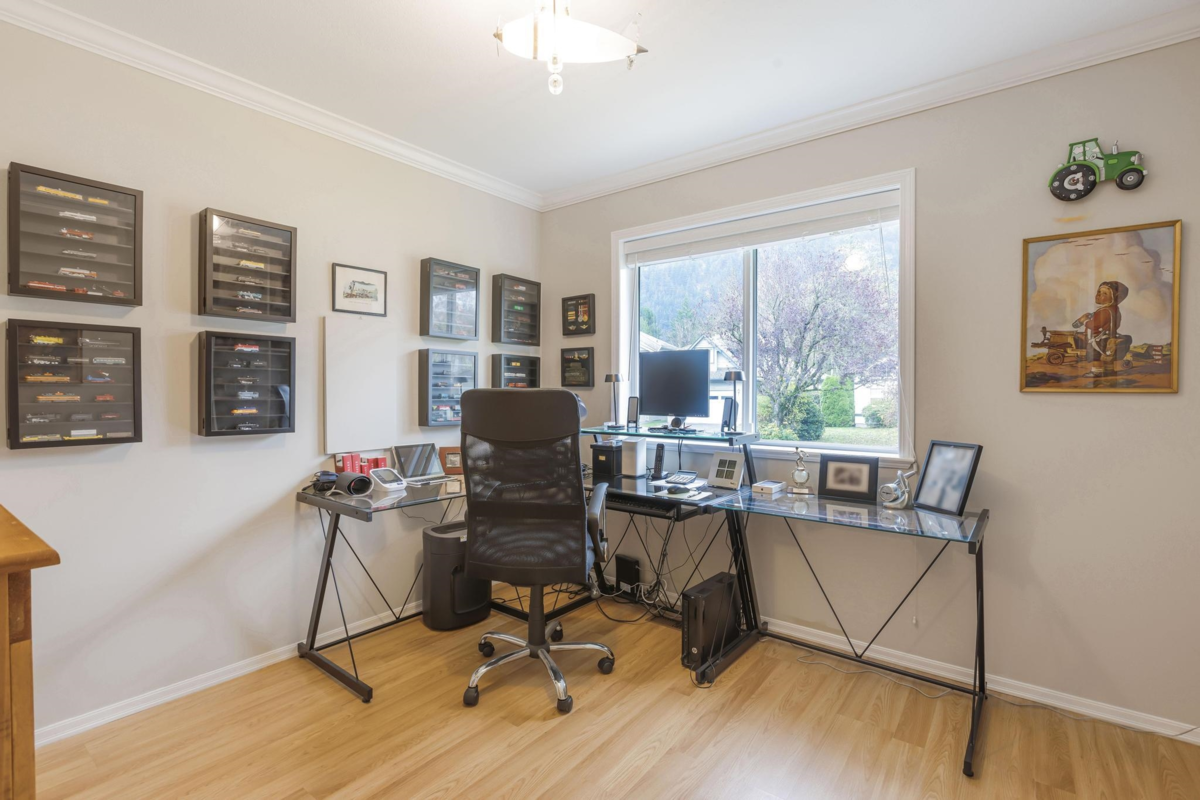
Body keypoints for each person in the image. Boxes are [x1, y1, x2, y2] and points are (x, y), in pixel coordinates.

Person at [1072, 280, 1130, 372]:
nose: (1099, 295)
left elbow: (1094, 325)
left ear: (1115, 298)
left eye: (1104, 294)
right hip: (1106, 337)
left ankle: (1097, 371)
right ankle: (1109, 370)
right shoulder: (1112, 309)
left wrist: (1084, 321)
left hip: (1099, 340)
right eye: (1099, 292)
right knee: (1106, 357)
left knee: (1096, 356)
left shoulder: (1105, 311)